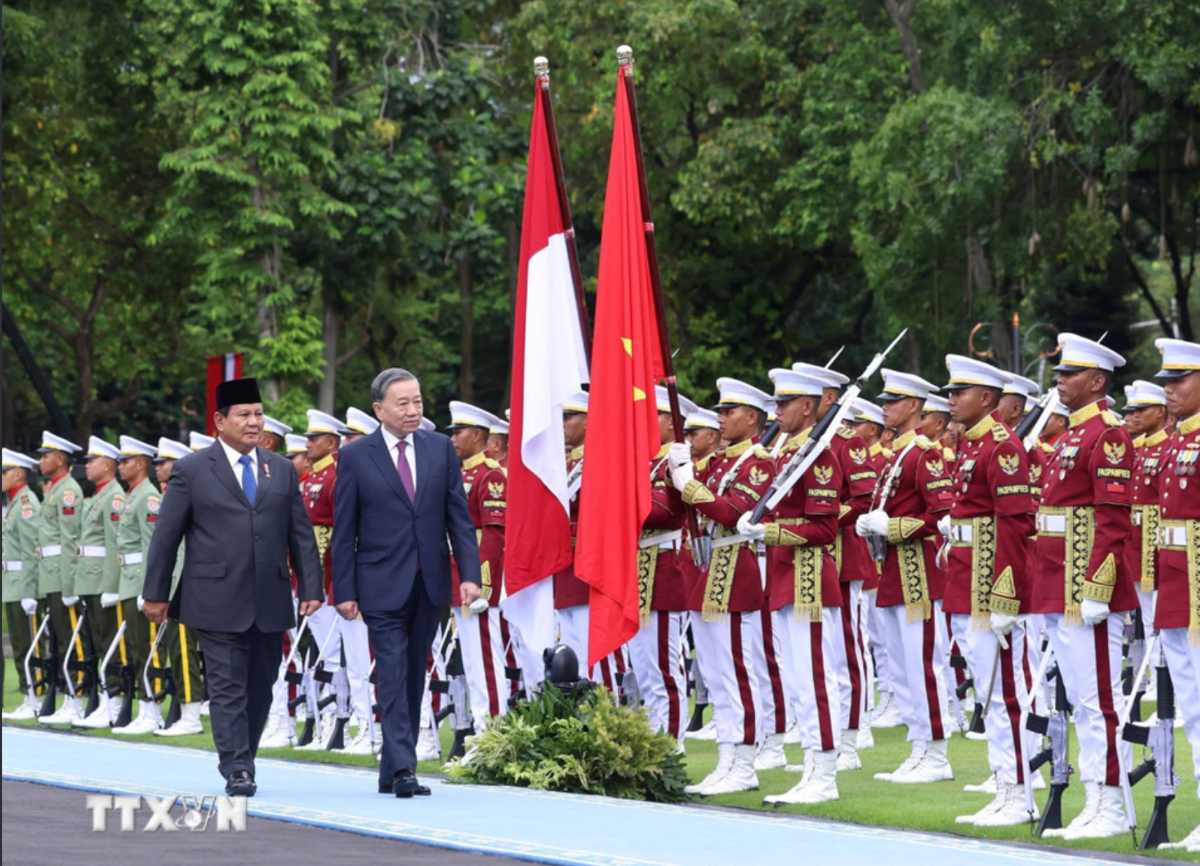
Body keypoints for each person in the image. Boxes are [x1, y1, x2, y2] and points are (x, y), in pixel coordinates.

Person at [143, 377, 324, 797]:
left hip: (270, 595)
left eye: (258, 414)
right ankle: (237, 767)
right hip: (215, 597)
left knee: (261, 685)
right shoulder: (191, 469)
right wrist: (155, 593)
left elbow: (300, 532)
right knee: (227, 686)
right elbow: (167, 536)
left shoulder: (279, 468)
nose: (254, 422)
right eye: (243, 415)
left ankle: (246, 755)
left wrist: (311, 585)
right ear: (219, 421)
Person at [330, 367, 481, 798]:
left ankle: (392, 763)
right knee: (392, 672)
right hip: (379, 583)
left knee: (415, 674)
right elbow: (344, 529)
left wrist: (469, 575)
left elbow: (459, 518)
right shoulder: (358, 456)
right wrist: (344, 591)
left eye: (417, 401)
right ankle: (403, 770)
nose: (413, 410)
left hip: (429, 583)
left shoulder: (439, 450)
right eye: (403, 403)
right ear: (379, 409)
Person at [1031, 333, 1135, 840]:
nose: (1060, 381)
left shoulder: (1108, 435)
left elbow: (1114, 520)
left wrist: (1098, 586)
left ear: (1097, 382)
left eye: (1070, 374)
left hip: (1085, 586)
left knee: (1099, 702)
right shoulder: (1071, 435)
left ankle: (1109, 801)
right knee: (1078, 699)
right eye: (1060, 374)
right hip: (1057, 579)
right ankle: (1094, 798)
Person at [941, 356, 1036, 825]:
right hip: (963, 578)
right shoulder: (972, 445)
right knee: (987, 694)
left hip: (987, 586)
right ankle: (1004, 786)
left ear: (987, 399)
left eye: (961, 392)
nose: (952, 399)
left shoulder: (1002, 446)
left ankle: (1018, 793)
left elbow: (1016, 525)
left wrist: (1005, 598)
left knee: (1003, 695)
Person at [669, 377, 775, 796]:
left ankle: (745, 761)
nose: (721, 417)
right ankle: (727, 756)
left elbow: (732, 512)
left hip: (734, 568)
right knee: (714, 673)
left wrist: (688, 484)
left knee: (736, 673)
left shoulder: (758, 462)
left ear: (752, 418)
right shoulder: (719, 462)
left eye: (730, 412)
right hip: (706, 569)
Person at [740, 369, 842, 804]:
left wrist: (771, 534)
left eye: (785, 404)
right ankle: (812, 764)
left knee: (816, 677)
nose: (776, 411)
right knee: (797, 679)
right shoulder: (787, 454)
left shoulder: (819, 455)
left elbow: (824, 527)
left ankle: (825, 772)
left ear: (808, 406)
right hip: (784, 577)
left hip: (809, 578)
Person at [856, 370, 956, 784]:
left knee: (923, 667)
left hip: (919, 575)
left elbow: (942, 516)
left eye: (894, 401)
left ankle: (936, 753)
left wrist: (890, 527)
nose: (885, 408)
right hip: (894, 573)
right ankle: (919, 746)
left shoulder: (924, 454)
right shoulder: (898, 454)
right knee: (900, 668)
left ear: (914, 406)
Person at [1152, 338, 1200, 854]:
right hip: (1175, 585)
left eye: (1179, 380)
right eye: (1166, 381)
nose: (1169, 390)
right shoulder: (1172, 443)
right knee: (1191, 705)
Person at [445, 401, 511, 730]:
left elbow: (494, 536)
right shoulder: (459, 473)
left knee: (485, 658)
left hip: (477, 580)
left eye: (459, 432)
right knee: (470, 660)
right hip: (457, 575)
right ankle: (482, 727)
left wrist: (482, 584)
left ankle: (494, 731)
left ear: (479, 435)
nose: (454, 438)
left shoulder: (491, 474)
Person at [111, 436, 166, 735]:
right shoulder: (133, 495)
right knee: (134, 647)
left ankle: (152, 707)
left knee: (148, 648)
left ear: (142, 463)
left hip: (140, 581)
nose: (121, 466)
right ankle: (144, 707)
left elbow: (152, 546)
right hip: (128, 579)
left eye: (126, 460)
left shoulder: (148, 497)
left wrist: (150, 588)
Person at [153, 436, 207, 737]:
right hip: (180, 582)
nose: (159, 468)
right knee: (178, 648)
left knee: (186, 649)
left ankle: (191, 712)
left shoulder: (191, 491)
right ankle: (186, 709)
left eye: (164, 463)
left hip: (189, 583)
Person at [71, 437, 124, 728]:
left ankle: (113, 699)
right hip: (90, 580)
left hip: (102, 581)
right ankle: (104, 697)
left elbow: (115, 545)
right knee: (95, 642)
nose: (87, 466)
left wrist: (112, 586)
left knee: (109, 642)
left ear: (107, 465)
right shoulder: (100, 496)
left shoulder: (114, 497)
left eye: (92, 461)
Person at [34, 432, 85, 724]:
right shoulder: (54, 489)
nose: (41, 460)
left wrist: (69, 584)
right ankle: (66, 694)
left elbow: (69, 541)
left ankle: (75, 696)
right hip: (49, 573)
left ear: (61, 459)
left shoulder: (68, 491)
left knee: (70, 640)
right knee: (57, 639)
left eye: (46, 455)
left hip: (60, 574)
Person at [2, 449, 42, 720]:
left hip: (22, 584)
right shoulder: (15, 502)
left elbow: (31, 551)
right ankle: (29, 694)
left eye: (4, 472)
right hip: (12, 583)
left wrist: (30, 592)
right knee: (18, 644)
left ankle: (36, 696)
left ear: (19, 473)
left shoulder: (26, 504)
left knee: (29, 645)